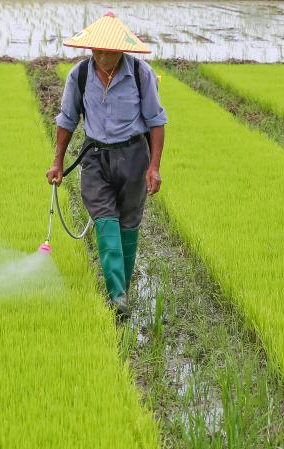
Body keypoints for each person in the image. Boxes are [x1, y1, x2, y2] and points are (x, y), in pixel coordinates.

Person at [46, 12, 167, 316]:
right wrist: (57, 163)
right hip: (96, 157)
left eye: (108, 51)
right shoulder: (80, 76)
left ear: (121, 50)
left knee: (128, 223)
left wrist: (154, 167)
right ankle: (116, 294)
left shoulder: (141, 75)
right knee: (104, 220)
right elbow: (67, 120)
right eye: (96, 51)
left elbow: (156, 122)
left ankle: (120, 292)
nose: (102, 57)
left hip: (133, 157)